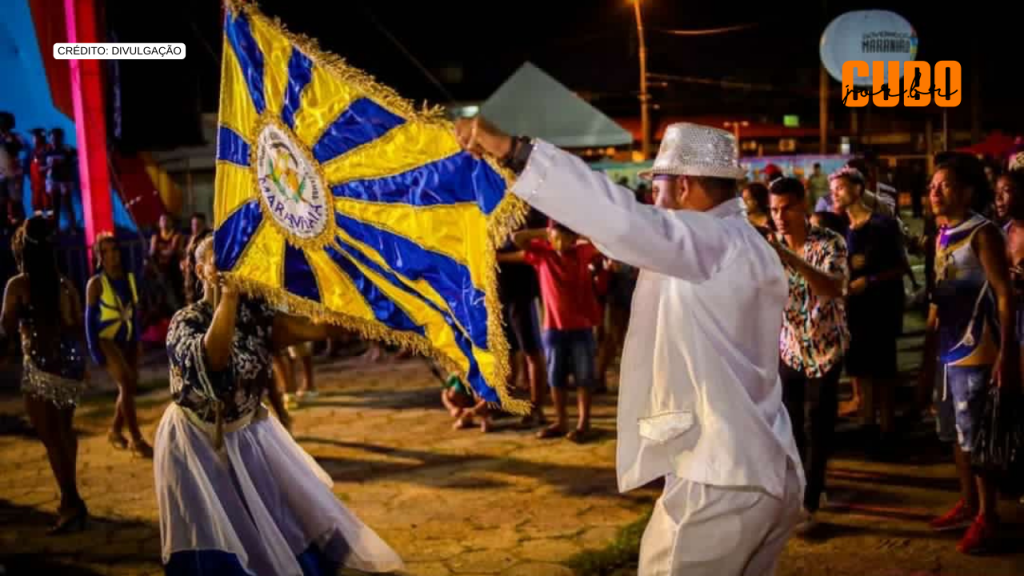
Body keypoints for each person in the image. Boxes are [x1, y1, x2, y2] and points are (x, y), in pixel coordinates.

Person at [457, 118, 803, 575]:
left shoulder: (713, 239)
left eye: (656, 188)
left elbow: (623, 221)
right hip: (759, 465)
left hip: (721, 479)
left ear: (683, 185)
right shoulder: (745, 243)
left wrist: (514, 152)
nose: (652, 201)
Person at [155, 237, 403, 575]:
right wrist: (229, 297)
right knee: (214, 530)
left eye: (234, 255)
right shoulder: (185, 321)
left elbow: (319, 328)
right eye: (218, 258)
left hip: (246, 435)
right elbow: (214, 362)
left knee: (272, 521)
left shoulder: (256, 314)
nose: (230, 263)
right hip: (196, 444)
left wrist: (365, 289)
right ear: (201, 271)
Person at [919, 154, 1019, 555]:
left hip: (977, 349)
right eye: (932, 186)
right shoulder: (942, 233)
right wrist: (929, 350)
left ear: (967, 191)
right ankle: (969, 503)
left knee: (977, 436)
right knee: (955, 434)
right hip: (948, 349)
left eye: (944, 186)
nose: (934, 193)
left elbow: (1004, 295)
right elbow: (939, 296)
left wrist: (1007, 352)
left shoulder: (983, 232)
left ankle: (987, 517)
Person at [767, 177, 849, 535]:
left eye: (786, 208)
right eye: (774, 210)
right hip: (790, 346)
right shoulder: (769, 248)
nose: (780, 217)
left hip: (826, 346)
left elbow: (832, 287)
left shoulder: (830, 243)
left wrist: (787, 256)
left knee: (819, 422)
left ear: (803, 205)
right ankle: (803, 489)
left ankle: (811, 499)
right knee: (791, 423)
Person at [1, 216, 88, 533]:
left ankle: (71, 503)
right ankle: (71, 500)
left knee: (51, 438)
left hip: (41, 366)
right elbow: (77, 323)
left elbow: (6, 327)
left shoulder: (18, 285)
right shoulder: (65, 284)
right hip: (71, 366)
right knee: (64, 432)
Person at [499, 220, 605, 443]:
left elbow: (602, 241)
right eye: (556, 239)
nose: (560, 243)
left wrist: (574, 231)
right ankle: (561, 421)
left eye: (565, 239)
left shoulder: (582, 252)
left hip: (582, 326)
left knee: (584, 378)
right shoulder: (543, 254)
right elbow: (517, 239)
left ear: (573, 238)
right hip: (553, 328)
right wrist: (547, 232)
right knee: (556, 378)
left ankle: (583, 423)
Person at [86, 233, 152, 457]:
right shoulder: (95, 284)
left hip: (128, 340)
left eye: (114, 249)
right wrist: (94, 351)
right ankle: (137, 440)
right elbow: (89, 321)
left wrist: (138, 340)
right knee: (125, 381)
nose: (112, 255)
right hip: (106, 341)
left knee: (129, 386)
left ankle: (115, 430)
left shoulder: (129, 279)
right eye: (106, 251)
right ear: (99, 256)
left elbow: (134, 313)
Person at [497, 208, 548, 427]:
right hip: (501, 294)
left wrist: (498, 257)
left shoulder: (529, 214)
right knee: (508, 352)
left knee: (532, 351)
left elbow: (535, 252)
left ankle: (537, 408)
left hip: (523, 293)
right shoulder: (493, 214)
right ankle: (508, 403)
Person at [44, 128, 76, 231]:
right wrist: (49, 166)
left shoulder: (67, 149)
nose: (53, 140)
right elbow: (41, 166)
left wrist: (63, 162)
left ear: (60, 138)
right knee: (55, 206)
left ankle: (73, 227)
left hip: (65, 181)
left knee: (67, 204)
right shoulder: (47, 151)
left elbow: (75, 159)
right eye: (51, 138)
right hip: (53, 181)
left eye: (56, 138)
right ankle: (55, 228)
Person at [150, 213, 184, 310]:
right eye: (162, 220)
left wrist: (161, 252)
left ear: (171, 222)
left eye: (167, 220)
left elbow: (173, 251)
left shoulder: (177, 235)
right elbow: (152, 253)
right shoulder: (155, 237)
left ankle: (175, 306)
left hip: (173, 268)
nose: (164, 222)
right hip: (159, 269)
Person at [0, 112, 25, 217]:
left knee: (16, 201)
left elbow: (21, 149)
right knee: (2, 201)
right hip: (1, 174)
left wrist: (8, 141)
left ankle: (20, 223)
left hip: (13, 174)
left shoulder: (16, 137)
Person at [28, 129, 50, 216]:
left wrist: (44, 168)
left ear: (40, 138)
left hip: (44, 183)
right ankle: (38, 220)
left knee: (48, 203)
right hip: (35, 184)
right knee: (36, 204)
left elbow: (50, 164)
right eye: (33, 137)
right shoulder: (34, 150)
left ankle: (51, 220)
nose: (33, 139)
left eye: (34, 137)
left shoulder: (48, 148)